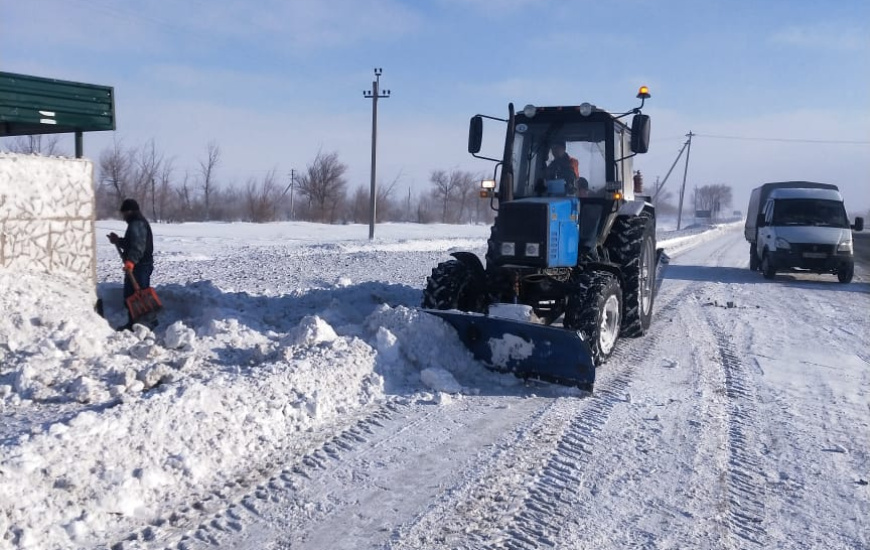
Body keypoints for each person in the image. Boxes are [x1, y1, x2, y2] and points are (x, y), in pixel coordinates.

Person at [107, 198, 155, 330]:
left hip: (140, 265)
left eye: (124, 214)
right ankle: (135, 323)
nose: (123, 217)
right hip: (139, 264)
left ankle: (144, 324)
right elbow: (131, 243)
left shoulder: (137, 224)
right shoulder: (136, 223)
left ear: (129, 211)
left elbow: (138, 246)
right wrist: (118, 241)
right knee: (131, 295)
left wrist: (131, 261)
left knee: (138, 296)